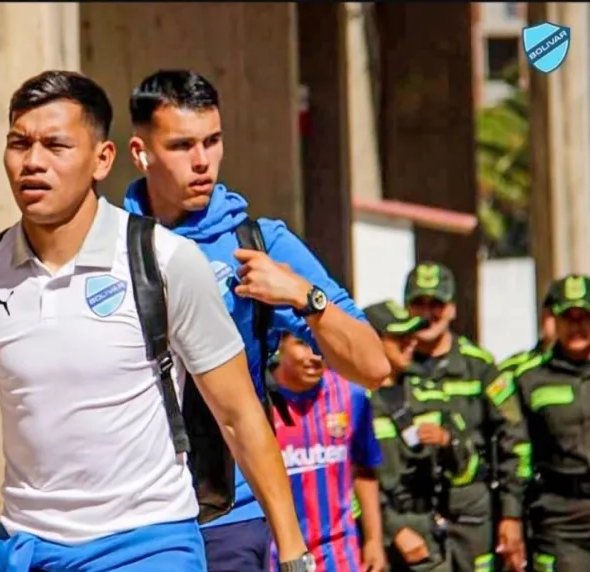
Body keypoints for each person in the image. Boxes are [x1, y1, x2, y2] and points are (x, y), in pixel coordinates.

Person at [0, 70, 312, 571]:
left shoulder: (164, 261)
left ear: (102, 159)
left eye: (56, 146)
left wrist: (292, 554)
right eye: (19, 144)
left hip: (148, 546)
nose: (32, 162)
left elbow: (240, 416)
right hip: (26, 548)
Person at [120, 68, 390, 571]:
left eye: (212, 141)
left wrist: (302, 296)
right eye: (181, 146)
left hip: (231, 516)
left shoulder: (259, 244)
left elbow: (373, 365)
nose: (202, 161)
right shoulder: (108, 246)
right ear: (141, 152)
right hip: (130, 520)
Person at [403, 263, 529, 572]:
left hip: (472, 517)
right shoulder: (392, 367)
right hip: (413, 517)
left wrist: (511, 515)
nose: (427, 313)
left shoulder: (481, 367)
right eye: (419, 303)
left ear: (453, 309)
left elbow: (514, 439)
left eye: (437, 304)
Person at [363, 300, 475, 572]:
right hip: (378, 542)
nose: (411, 342)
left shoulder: (429, 390)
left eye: (411, 334)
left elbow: (466, 465)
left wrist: (449, 441)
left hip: (430, 538)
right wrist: (393, 529)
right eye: (399, 337)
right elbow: (349, 482)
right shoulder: (353, 397)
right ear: (373, 339)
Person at [268, 333, 386, 572]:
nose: (315, 356)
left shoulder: (352, 395)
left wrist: (374, 540)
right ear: (280, 344)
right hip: (274, 552)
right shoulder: (257, 401)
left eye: (321, 345)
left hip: (338, 551)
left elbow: (364, 469)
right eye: (302, 344)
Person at [512, 274, 590, 571]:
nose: (577, 326)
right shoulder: (529, 379)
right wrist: (512, 516)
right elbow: (515, 451)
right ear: (552, 320)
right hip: (560, 518)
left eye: (584, 316)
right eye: (568, 317)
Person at [499, 283, 562, 374]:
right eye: (557, 314)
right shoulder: (514, 370)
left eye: (582, 317)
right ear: (543, 315)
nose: (572, 326)